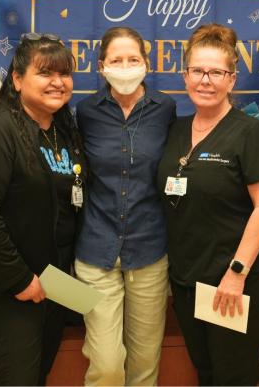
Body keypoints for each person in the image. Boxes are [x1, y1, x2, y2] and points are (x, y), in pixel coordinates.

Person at [156, 24, 259, 385]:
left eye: (216, 72)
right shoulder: (175, 129)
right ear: (185, 76)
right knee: (206, 372)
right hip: (187, 278)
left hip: (235, 280)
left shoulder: (250, 132)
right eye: (197, 71)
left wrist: (236, 273)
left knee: (232, 377)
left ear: (232, 79)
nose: (205, 80)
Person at [0, 33, 86, 385]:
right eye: (45, 73)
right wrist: (19, 279)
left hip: (54, 284)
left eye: (64, 74)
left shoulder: (63, 128)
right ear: (16, 79)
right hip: (13, 287)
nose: (57, 83)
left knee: (39, 372)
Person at [74, 27, 176, 385]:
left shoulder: (166, 108)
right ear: (101, 66)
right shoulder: (85, 112)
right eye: (116, 60)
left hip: (148, 250)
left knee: (145, 363)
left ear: (147, 64)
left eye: (134, 59)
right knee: (105, 363)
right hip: (95, 251)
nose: (126, 66)